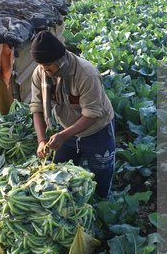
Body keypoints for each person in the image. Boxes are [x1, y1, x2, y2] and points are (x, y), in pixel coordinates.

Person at [29, 30, 115, 199]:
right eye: (40, 64)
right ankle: (72, 207)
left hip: (97, 129)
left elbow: (92, 115)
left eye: (48, 65)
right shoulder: (40, 73)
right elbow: (37, 108)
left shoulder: (86, 74)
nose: (44, 69)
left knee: (101, 175)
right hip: (67, 127)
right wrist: (41, 140)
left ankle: (102, 207)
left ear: (60, 60)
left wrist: (62, 136)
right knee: (60, 172)